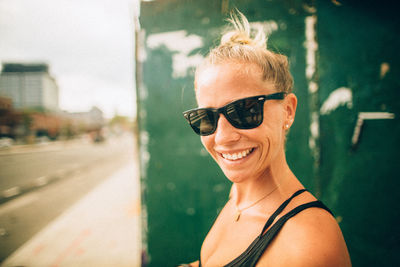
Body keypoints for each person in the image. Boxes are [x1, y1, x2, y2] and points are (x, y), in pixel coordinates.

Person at [181, 10, 351, 267]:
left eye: (245, 110)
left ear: (288, 110)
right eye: (206, 118)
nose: (223, 137)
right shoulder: (239, 197)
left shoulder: (307, 244)